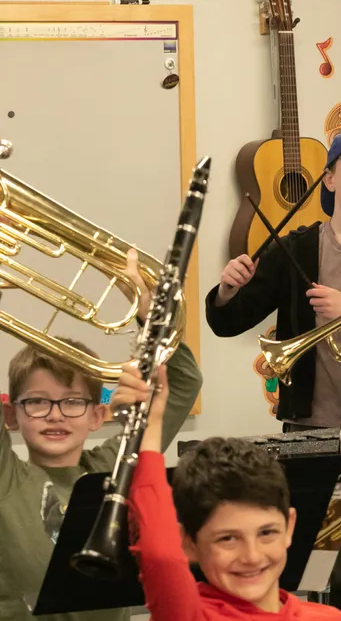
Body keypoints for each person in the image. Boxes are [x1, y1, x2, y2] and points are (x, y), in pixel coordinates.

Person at [0, 251, 203, 621]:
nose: (56, 414)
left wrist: (149, 317)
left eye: (72, 402)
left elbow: (184, 382)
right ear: (11, 415)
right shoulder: (6, 477)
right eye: (37, 402)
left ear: (97, 416)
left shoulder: (114, 466)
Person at [206, 125, 341, 430]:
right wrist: (227, 291)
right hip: (305, 422)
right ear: (329, 179)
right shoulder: (293, 248)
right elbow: (227, 324)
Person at [117, 368, 341, 620]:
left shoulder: (328, 618)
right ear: (188, 543)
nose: (252, 556)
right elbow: (159, 555)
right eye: (227, 539)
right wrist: (148, 425)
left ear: (289, 526)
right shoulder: (191, 615)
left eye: (266, 533)